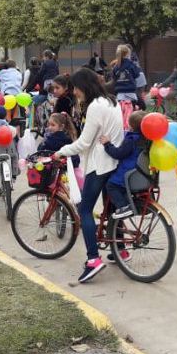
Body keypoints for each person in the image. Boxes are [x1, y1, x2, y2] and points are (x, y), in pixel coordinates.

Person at [54, 68, 124, 283]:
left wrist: (61, 151)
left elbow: (84, 143)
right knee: (111, 210)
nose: (74, 92)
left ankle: (93, 259)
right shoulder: (112, 101)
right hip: (114, 161)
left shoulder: (94, 107)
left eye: (75, 87)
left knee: (84, 209)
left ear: (84, 86)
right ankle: (121, 249)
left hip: (99, 164)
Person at [100, 110, 146, 221]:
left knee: (111, 185)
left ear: (130, 125)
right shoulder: (147, 139)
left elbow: (118, 154)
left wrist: (107, 144)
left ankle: (124, 206)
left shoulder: (131, 140)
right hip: (140, 172)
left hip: (127, 173)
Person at [110, 44, 141, 128]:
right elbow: (137, 74)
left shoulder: (116, 66)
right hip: (130, 94)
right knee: (135, 113)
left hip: (120, 96)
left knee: (121, 116)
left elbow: (113, 78)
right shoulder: (130, 64)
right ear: (127, 54)